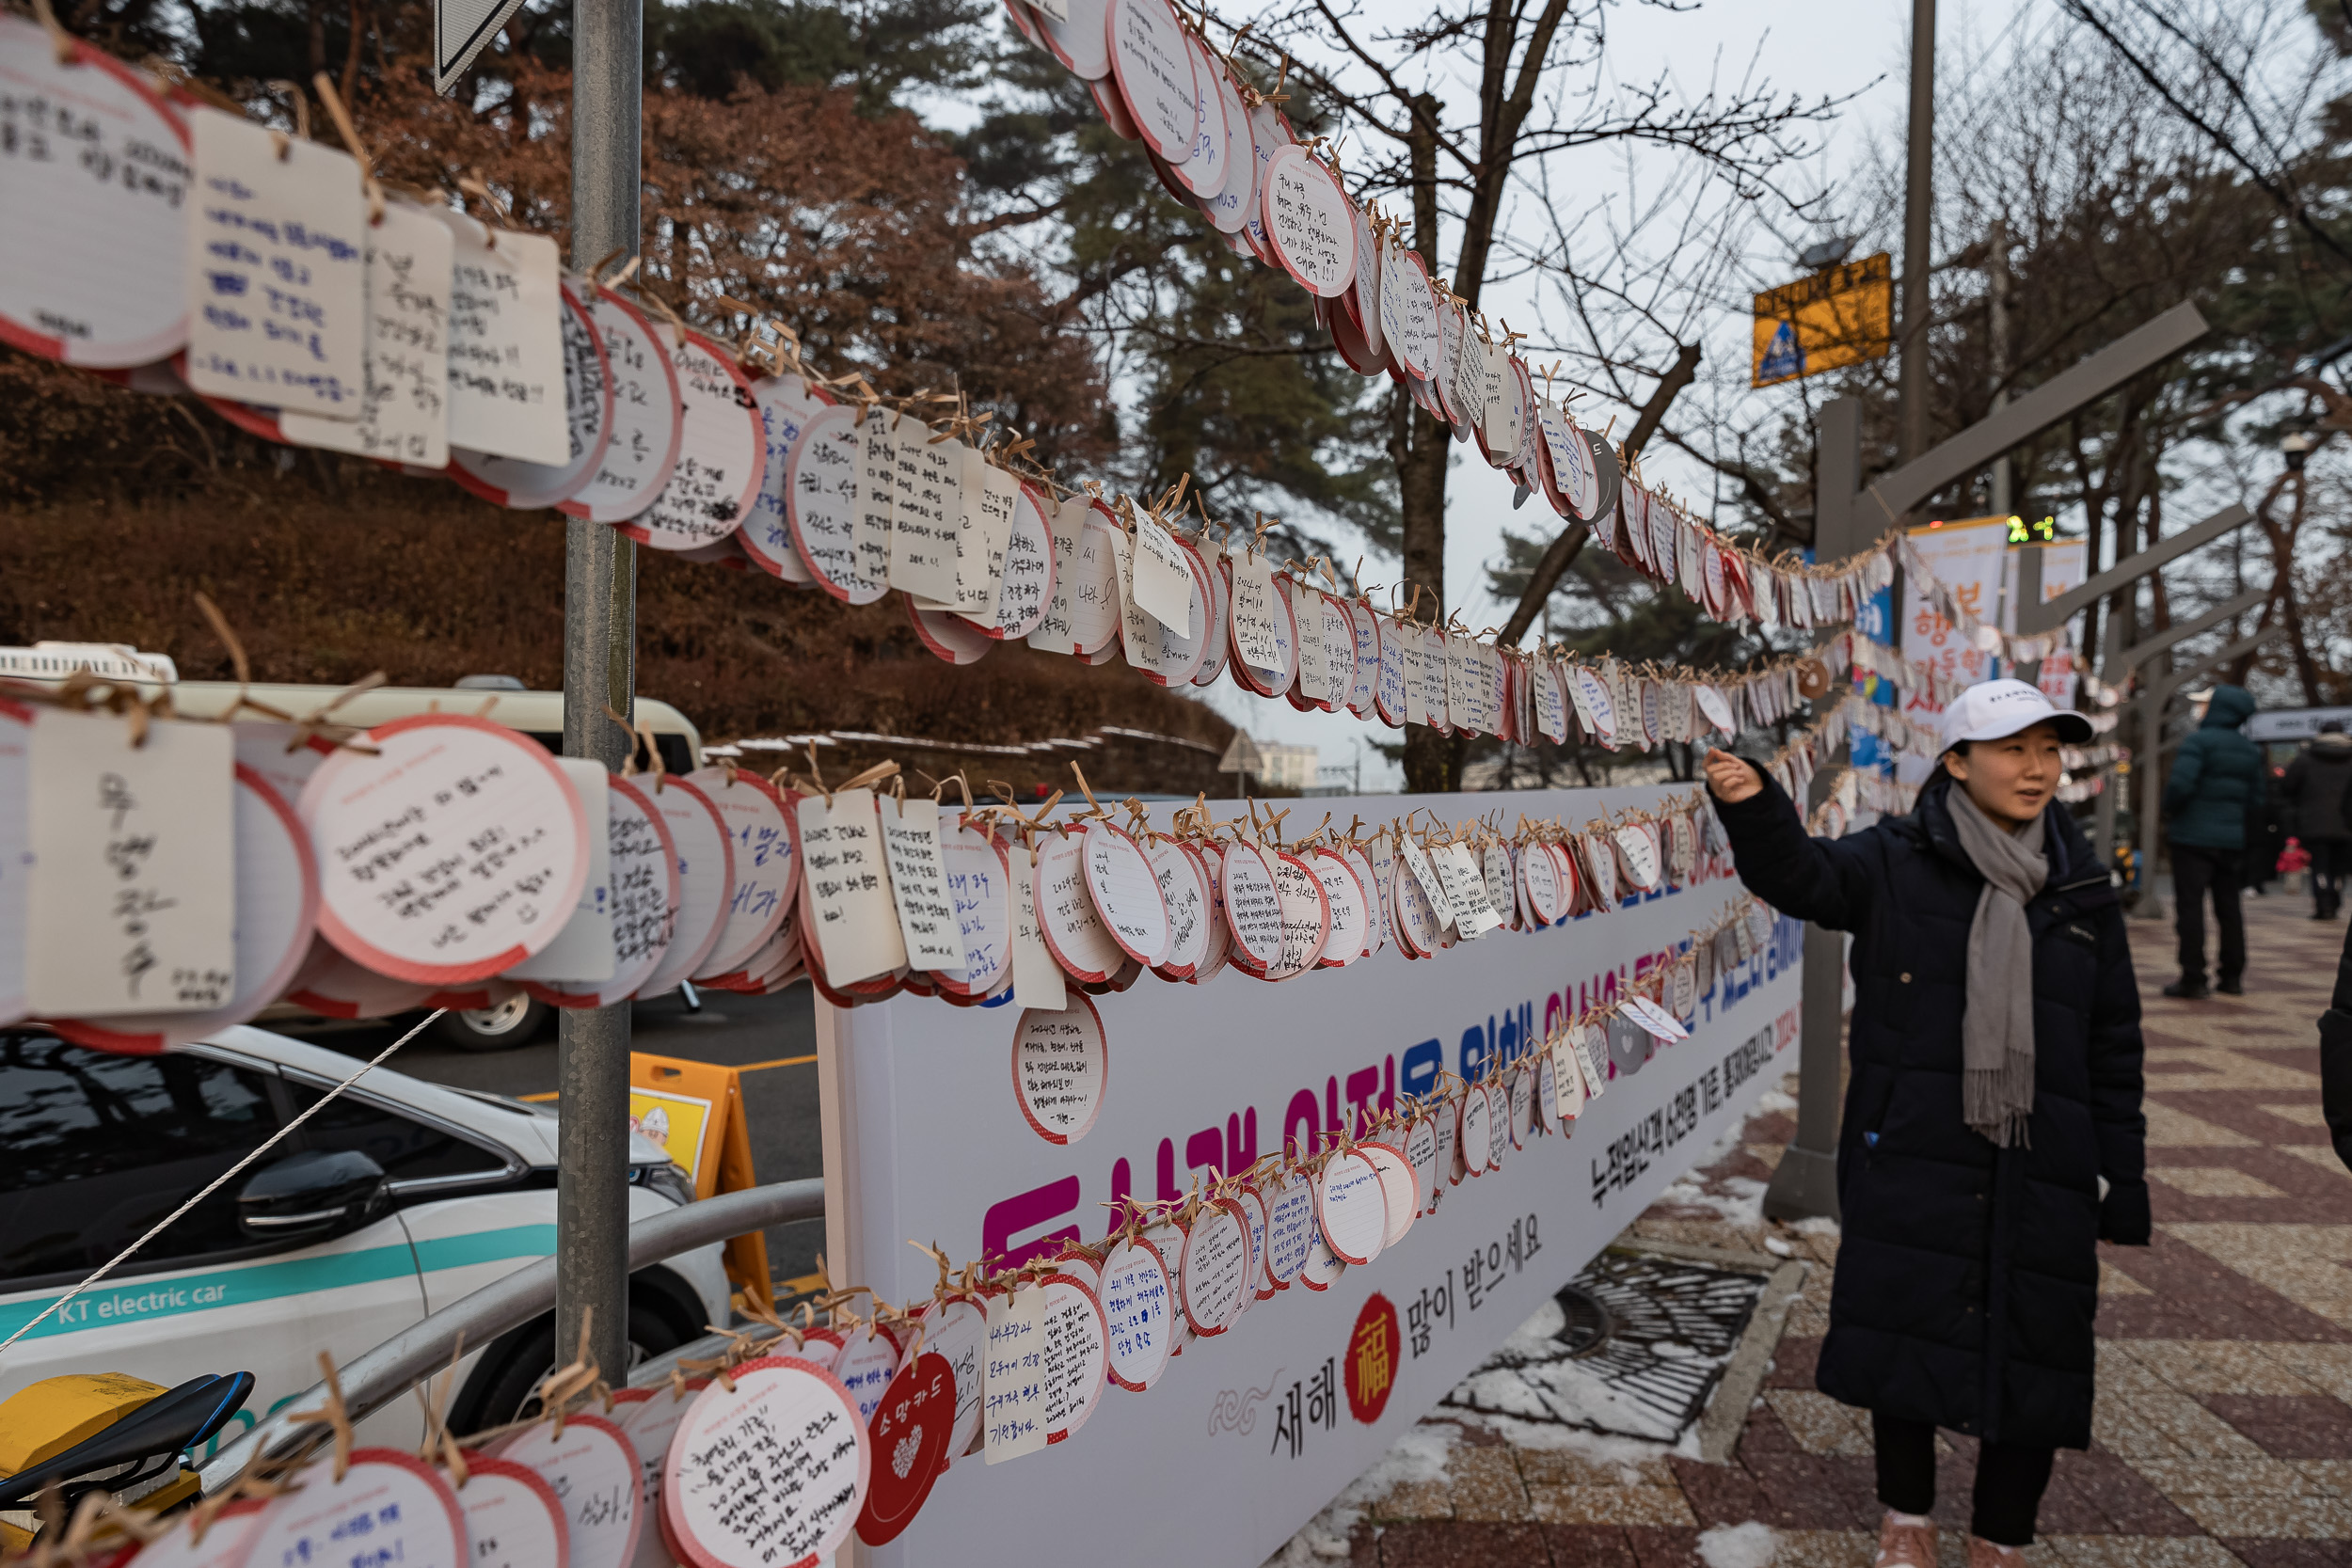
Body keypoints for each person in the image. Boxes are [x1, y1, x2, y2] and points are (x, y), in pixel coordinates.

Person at [1704, 678, 2148, 1568]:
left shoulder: (2085, 886)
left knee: (2039, 1343)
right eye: (2014, 749)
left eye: (2050, 751)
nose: (2037, 769)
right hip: (1916, 1139)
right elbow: (1807, 879)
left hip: (2044, 1154)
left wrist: (2122, 1174)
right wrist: (1757, 809)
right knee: (1904, 1329)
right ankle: (1906, 1516)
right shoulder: (1898, 859)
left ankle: (2003, 1535)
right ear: (1957, 761)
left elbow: (2112, 1041)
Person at [2161, 684, 2262, 997]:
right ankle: (2232, 977)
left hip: (2191, 837)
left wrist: (2170, 812)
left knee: (2190, 907)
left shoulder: (2199, 743)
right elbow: (2257, 802)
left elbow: (2180, 785)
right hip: (2231, 840)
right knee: (2229, 909)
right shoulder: (2250, 751)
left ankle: (2194, 977)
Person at [2282, 721, 2352, 919]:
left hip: (2314, 822)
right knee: (2339, 867)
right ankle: (2335, 900)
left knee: (2320, 865)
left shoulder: (2306, 758)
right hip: (2347, 824)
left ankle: (2323, 906)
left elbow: (2288, 787)